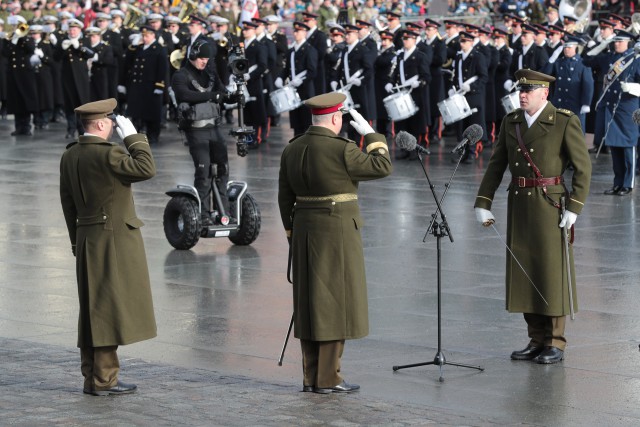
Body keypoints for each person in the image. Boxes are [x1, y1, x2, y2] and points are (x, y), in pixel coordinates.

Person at [474, 69, 592, 364]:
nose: (522, 95)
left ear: (544, 93)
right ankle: (536, 338)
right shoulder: (511, 122)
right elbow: (497, 162)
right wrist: (483, 201)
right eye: (520, 90)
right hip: (520, 203)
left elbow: (583, 168)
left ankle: (555, 341)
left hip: (550, 204)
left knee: (551, 272)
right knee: (525, 271)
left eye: (529, 90)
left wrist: (574, 207)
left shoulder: (564, 121)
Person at [278, 92, 392, 393]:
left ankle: (311, 377)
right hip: (337, 232)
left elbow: (284, 197)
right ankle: (329, 378)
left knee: (309, 304)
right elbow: (382, 166)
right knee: (333, 304)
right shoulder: (342, 149)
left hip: (303, 231)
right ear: (335, 118)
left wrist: (292, 233)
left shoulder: (292, 149)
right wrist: (371, 134)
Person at [59, 98, 157, 395]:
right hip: (113, 240)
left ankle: (93, 376)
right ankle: (105, 378)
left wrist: (76, 241)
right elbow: (146, 168)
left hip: (87, 236)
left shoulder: (71, 154)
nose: (114, 127)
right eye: (112, 123)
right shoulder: (109, 153)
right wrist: (134, 138)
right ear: (101, 124)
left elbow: (68, 203)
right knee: (107, 308)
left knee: (93, 307)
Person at [172, 39, 234, 225]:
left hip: (214, 128)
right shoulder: (181, 75)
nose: (204, 62)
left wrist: (233, 96)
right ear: (192, 56)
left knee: (222, 169)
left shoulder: (210, 73)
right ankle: (204, 214)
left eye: (207, 58)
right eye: (201, 58)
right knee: (204, 172)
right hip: (196, 130)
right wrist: (211, 95)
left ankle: (225, 212)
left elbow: (222, 93)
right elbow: (184, 95)